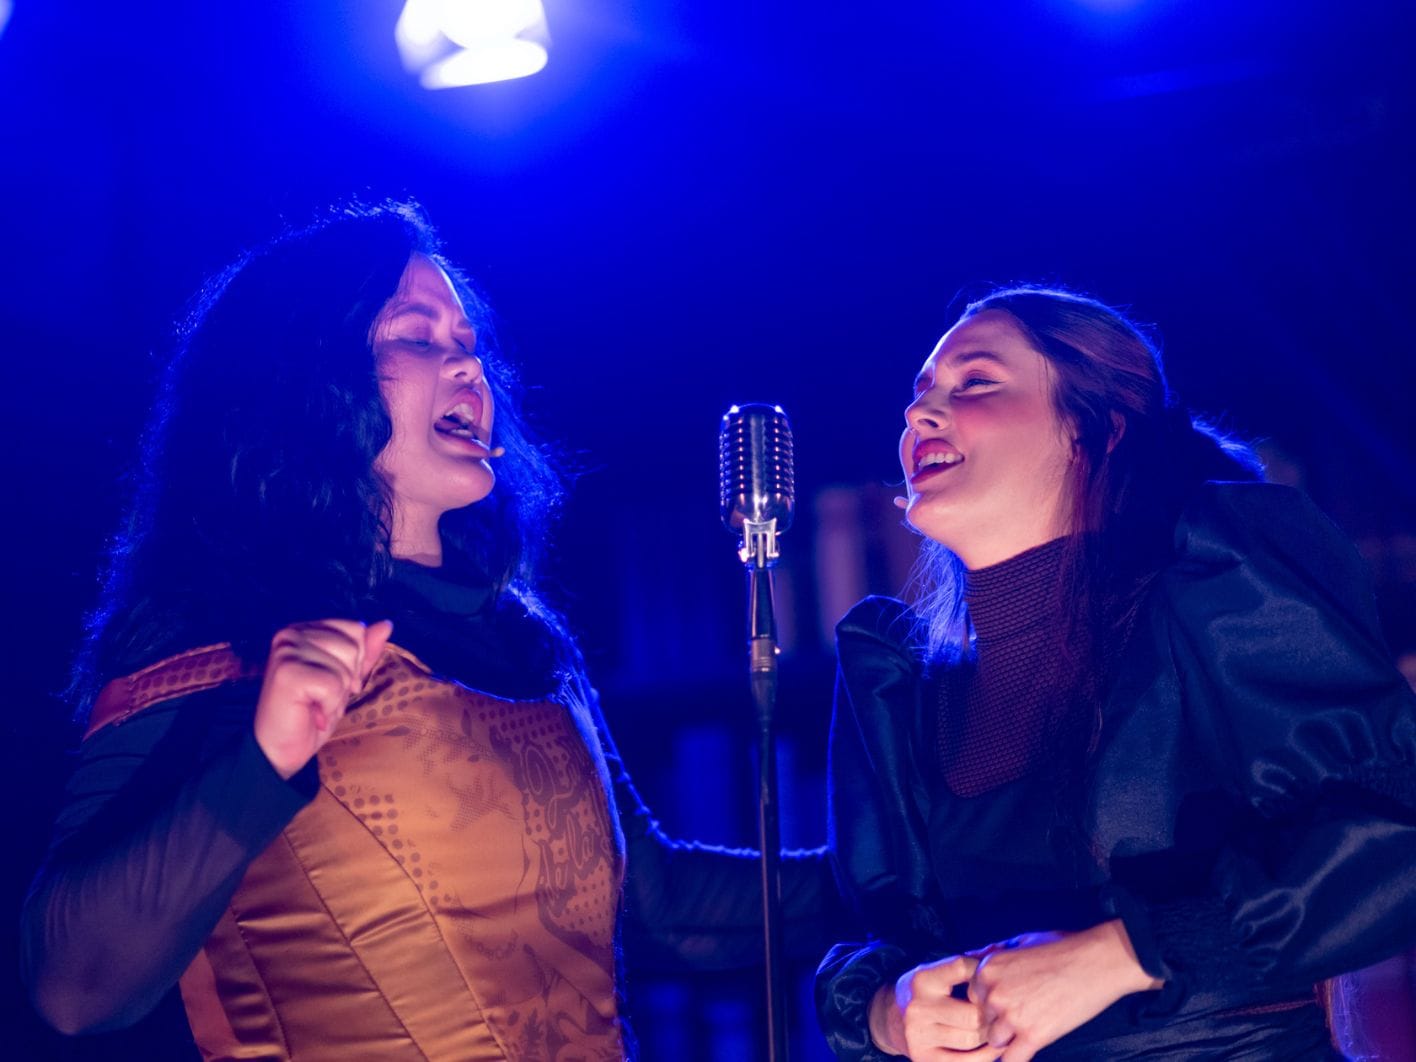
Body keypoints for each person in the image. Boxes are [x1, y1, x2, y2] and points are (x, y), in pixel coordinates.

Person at [20, 201, 838, 1060]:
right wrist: (260, 762)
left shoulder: (523, 636)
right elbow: (74, 986)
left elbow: (658, 903)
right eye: (418, 337)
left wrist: (889, 885)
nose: (468, 368)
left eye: (468, 344)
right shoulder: (220, 630)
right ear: (306, 381)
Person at [815, 287, 1416, 1060]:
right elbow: (869, 926)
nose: (919, 413)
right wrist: (887, 1012)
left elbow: (1394, 834)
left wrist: (1122, 954)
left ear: (1094, 431)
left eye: (975, 382)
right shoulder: (905, 695)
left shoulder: (1215, 583)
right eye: (921, 393)